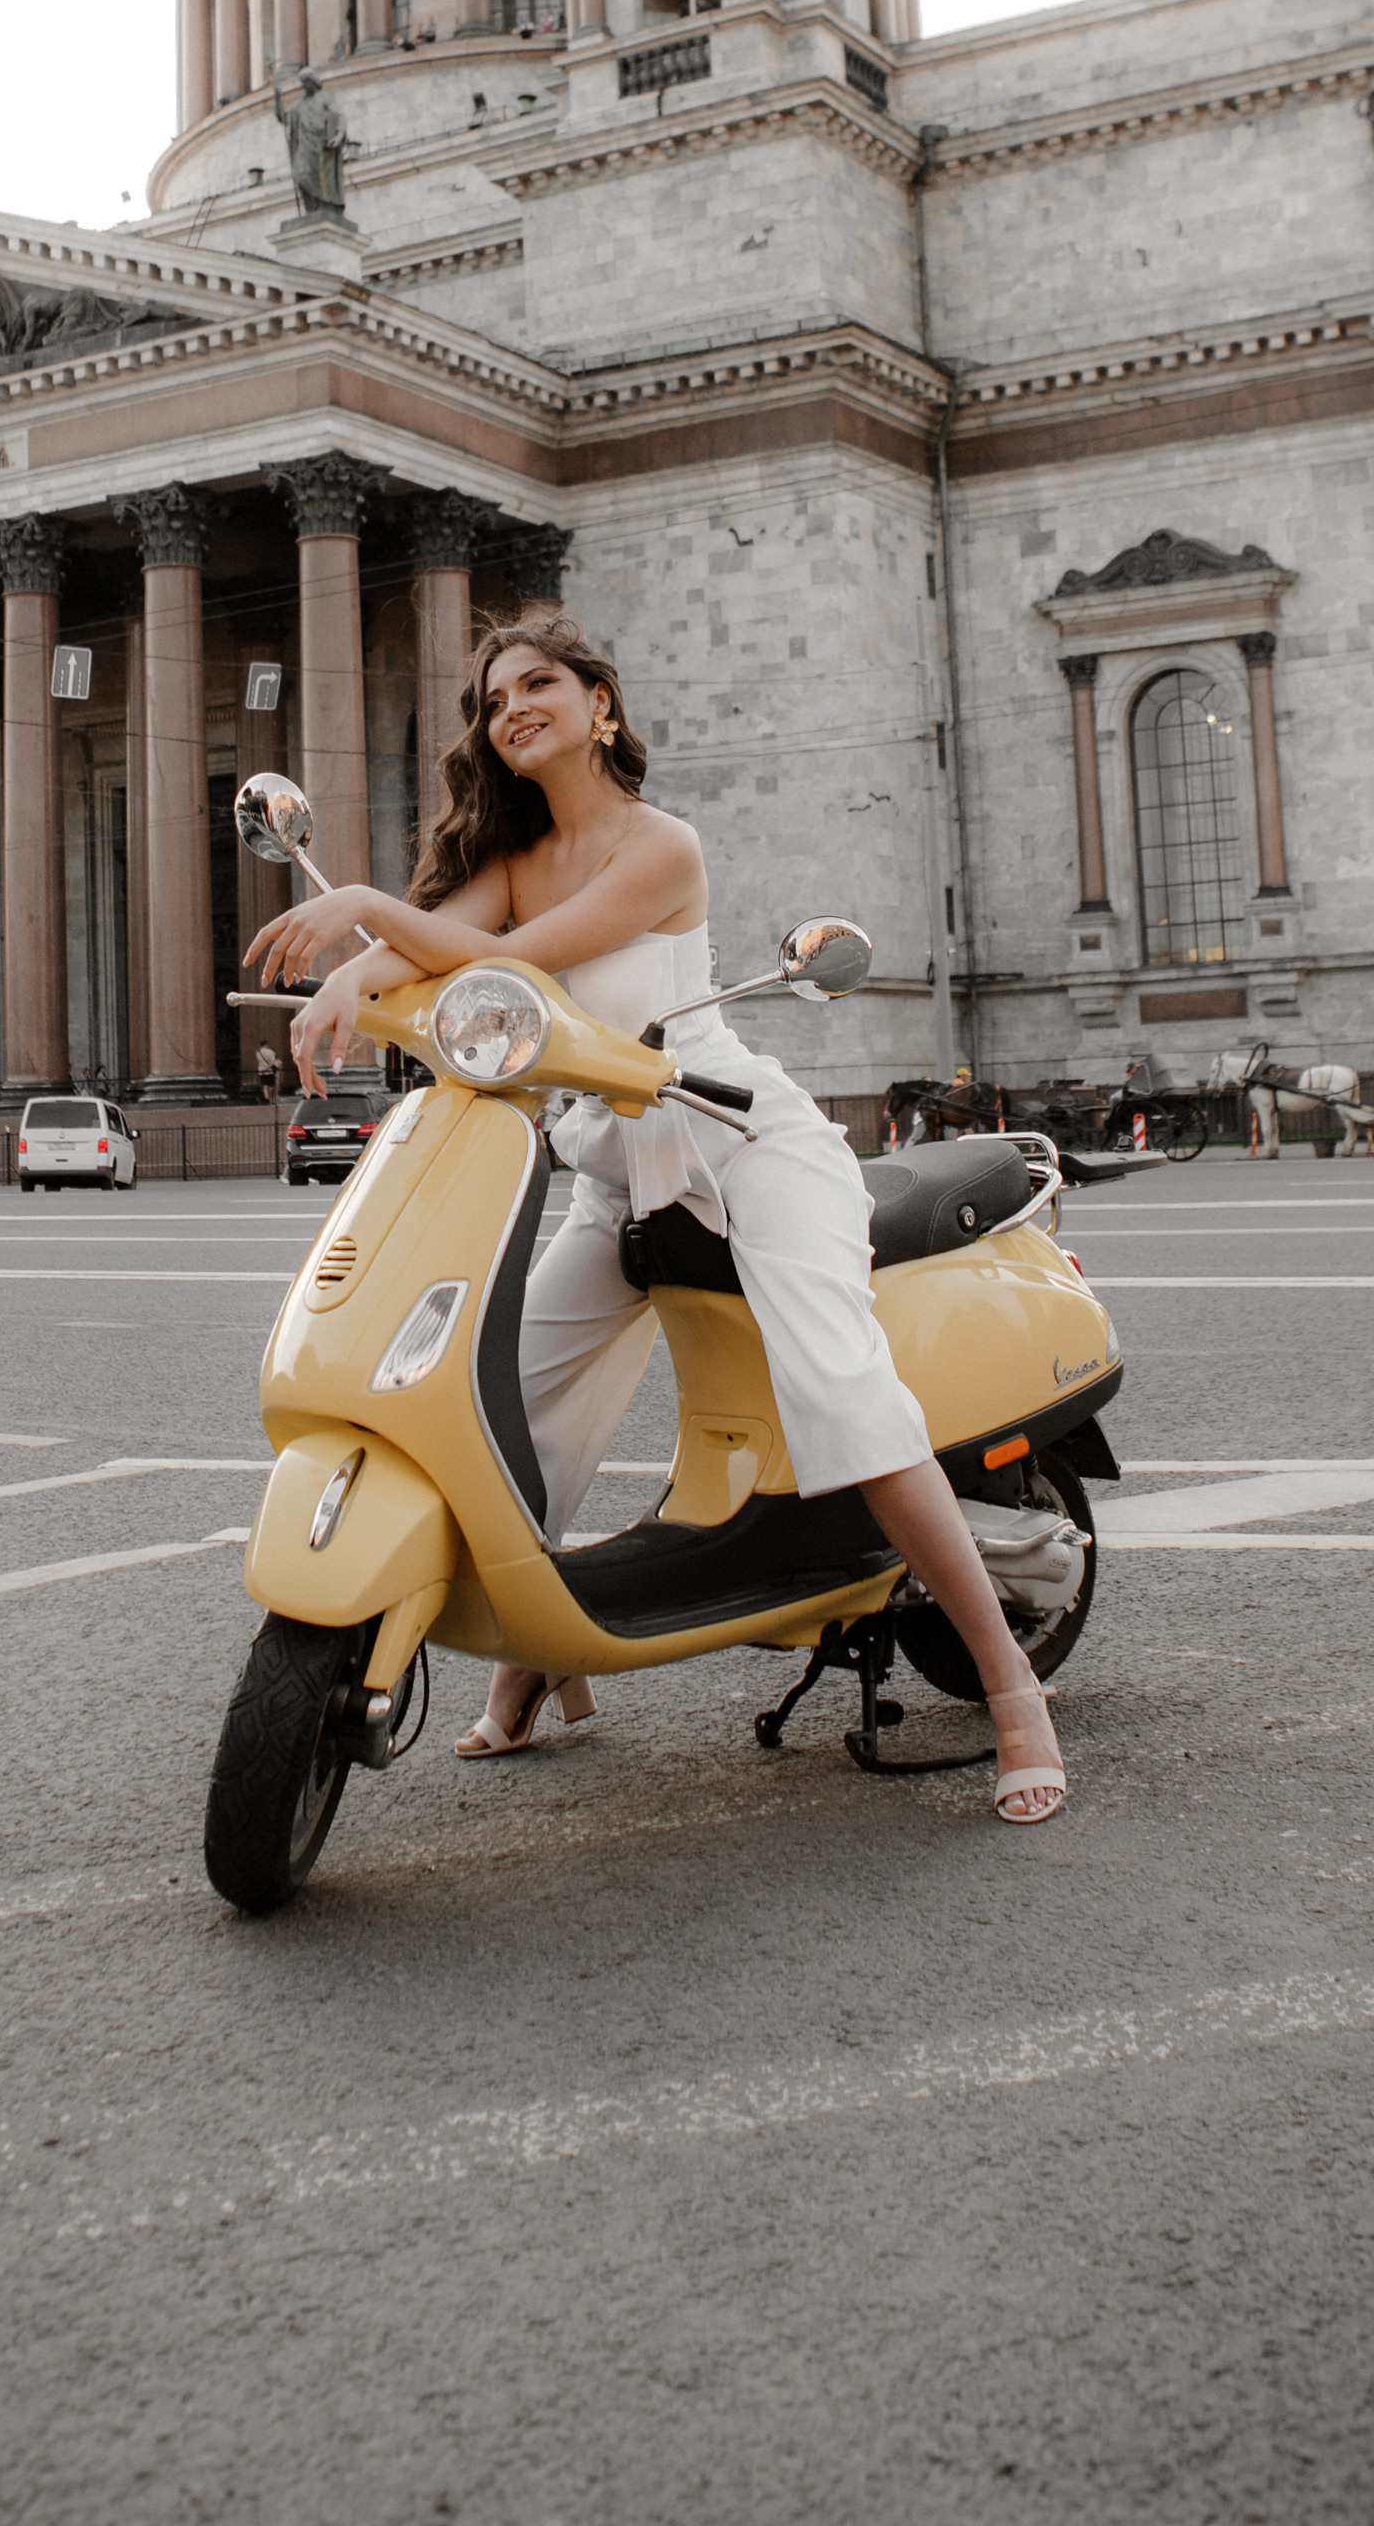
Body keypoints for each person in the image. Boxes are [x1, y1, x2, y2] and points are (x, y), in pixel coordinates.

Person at [246, 613, 1068, 1826]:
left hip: (739, 1146)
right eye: (492, 700)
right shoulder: (513, 856)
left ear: (602, 705)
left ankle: (1009, 1687)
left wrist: (368, 914)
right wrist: (364, 969)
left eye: (537, 684)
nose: (511, 709)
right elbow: (450, 951)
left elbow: (516, 962)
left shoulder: (661, 846)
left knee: (838, 1387)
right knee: (494, 1394)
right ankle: (541, 1653)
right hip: (615, 1168)